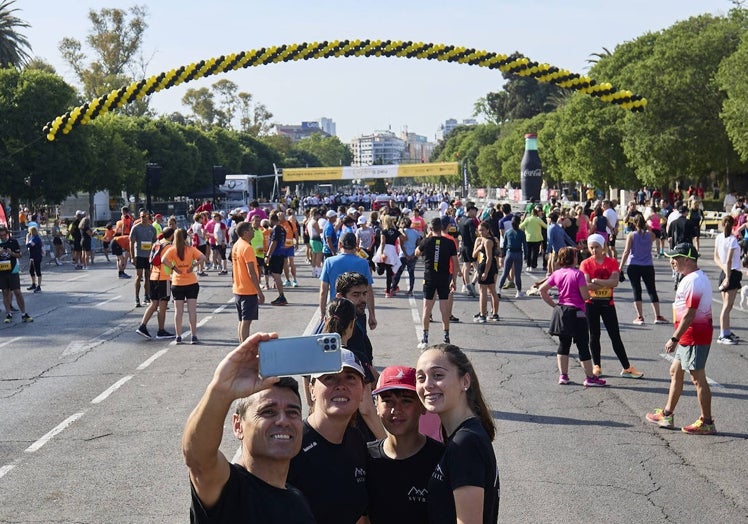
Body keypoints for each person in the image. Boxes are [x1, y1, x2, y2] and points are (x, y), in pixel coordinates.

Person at [183, 332, 315, 523]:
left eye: (293, 412)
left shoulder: (297, 499)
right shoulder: (230, 489)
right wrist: (220, 388)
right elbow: (197, 457)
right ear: (238, 426)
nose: (283, 421)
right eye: (268, 412)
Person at [415, 343, 499, 523]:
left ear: (465, 381)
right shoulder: (466, 434)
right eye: (420, 378)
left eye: (437, 375)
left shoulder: (465, 444)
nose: (427, 385)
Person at [287, 348, 369, 524]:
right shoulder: (290, 445)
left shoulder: (356, 440)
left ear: (362, 391)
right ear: (312, 390)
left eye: (350, 377)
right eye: (329, 377)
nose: (341, 385)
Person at [646, 243, 716, 435]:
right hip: (688, 335)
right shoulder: (689, 278)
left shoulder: (694, 281)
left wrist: (674, 338)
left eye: (675, 258)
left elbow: (690, 314)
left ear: (687, 259)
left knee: (697, 378)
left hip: (694, 335)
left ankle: (707, 422)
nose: (672, 261)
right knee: (675, 371)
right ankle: (667, 414)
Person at [366, 366, 445, 524]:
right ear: (376, 406)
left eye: (406, 401)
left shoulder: (442, 459)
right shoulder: (365, 457)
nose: (397, 409)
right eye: (388, 401)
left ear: (422, 406)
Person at [580, 234, 644, 379]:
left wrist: (597, 281)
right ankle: (597, 366)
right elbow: (586, 285)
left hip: (608, 303)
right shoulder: (586, 263)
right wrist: (604, 282)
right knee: (594, 335)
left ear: (603, 247)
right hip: (591, 304)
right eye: (591, 248)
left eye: (597, 247)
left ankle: (626, 368)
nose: (594, 250)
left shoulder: (612, 262)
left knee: (615, 336)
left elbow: (615, 282)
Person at [538, 247, 603, 386]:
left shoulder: (557, 273)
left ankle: (563, 375)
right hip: (577, 312)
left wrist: (554, 305)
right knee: (582, 345)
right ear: (573, 258)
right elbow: (584, 295)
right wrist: (592, 289)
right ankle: (590, 378)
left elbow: (542, 290)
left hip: (562, 311)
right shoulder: (578, 274)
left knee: (564, 344)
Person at [415, 218, 459, 349]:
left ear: (430, 229)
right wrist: (454, 280)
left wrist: (427, 237)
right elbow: (455, 263)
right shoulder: (449, 242)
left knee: (427, 307)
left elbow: (416, 253)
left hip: (430, 277)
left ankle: (425, 338)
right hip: (444, 277)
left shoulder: (426, 241)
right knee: (444, 307)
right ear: (442, 228)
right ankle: (446, 337)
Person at [618, 215, 668, 325]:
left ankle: (640, 317)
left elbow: (626, 252)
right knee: (651, 290)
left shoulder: (631, 235)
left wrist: (620, 267)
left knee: (637, 290)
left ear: (635, 224)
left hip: (633, 265)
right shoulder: (651, 235)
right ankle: (657, 316)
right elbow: (653, 234)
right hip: (647, 265)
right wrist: (647, 226)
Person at [161, 228, 208, 344]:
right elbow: (203, 257)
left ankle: (178, 336)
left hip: (177, 283)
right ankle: (193, 335)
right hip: (191, 282)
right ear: (185, 238)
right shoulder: (191, 249)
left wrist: (174, 268)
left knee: (178, 312)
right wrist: (194, 266)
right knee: (192, 311)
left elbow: (163, 260)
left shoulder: (172, 250)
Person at [319, 232, 375, 325]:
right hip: (357, 310)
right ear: (356, 244)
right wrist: (372, 315)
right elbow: (368, 291)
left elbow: (323, 291)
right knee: (358, 338)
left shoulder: (329, 262)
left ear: (340, 244)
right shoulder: (363, 263)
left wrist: (323, 313)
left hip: (336, 310)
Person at [136, 227, 176, 340]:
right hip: (164, 278)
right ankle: (161, 330)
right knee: (163, 305)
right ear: (172, 235)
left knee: (154, 303)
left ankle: (142, 326)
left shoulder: (157, 244)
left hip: (154, 276)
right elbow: (172, 261)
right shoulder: (169, 246)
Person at [232, 221, 265, 342]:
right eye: (251, 229)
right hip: (247, 289)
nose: (253, 231)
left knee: (241, 320)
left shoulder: (237, 245)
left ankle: (241, 345)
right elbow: (251, 272)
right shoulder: (247, 248)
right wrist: (259, 292)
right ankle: (244, 348)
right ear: (245, 233)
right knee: (246, 322)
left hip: (238, 288)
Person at [713, 214, 741, 345]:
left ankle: (727, 331)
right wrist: (728, 276)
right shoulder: (732, 240)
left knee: (727, 306)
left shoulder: (718, 238)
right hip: (732, 273)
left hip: (724, 272)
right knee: (727, 306)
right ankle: (722, 335)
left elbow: (716, 258)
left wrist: (724, 270)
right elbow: (729, 260)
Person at [0, 225, 33, 324]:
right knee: (5, 292)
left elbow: (19, 255)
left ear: (7, 233)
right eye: (0, 235)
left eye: (3, 235)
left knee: (17, 292)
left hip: (13, 270)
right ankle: (8, 314)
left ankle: (24, 314)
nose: (2, 237)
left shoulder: (13, 242)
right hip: (2, 271)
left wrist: (12, 253)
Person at [472, 219, 501, 323]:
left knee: (487, 291)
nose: (481, 232)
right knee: (488, 290)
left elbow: (491, 257)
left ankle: (485, 314)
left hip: (488, 266)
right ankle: (489, 313)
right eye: (479, 230)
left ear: (488, 230)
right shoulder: (479, 240)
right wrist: (479, 247)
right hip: (483, 265)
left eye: (483, 230)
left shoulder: (490, 240)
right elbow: (473, 255)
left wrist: (486, 272)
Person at [129, 212, 157, 307]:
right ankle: (137, 297)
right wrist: (132, 257)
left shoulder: (152, 228)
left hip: (149, 256)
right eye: (141, 216)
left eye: (145, 216)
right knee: (139, 275)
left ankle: (146, 296)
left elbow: (154, 242)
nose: (143, 218)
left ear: (148, 217)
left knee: (148, 276)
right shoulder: (136, 228)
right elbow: (131, 243)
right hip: (139, 255)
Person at [497, 216, 527, 300]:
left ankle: (499, 290)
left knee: (505, 272)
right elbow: (524, 245)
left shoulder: (508, 232)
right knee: (517, 274)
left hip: (509, 253)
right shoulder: (521, 233)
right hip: (518, 253)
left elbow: (505, 244)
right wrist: (526, 256)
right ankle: (518, 291)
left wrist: (503, 255)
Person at [391, 216, 421, 296]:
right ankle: (410, 290)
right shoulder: (415, 232)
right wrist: (413, 255)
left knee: (399, 273)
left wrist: (406, 255)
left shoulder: (402, 232)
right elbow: (418, 245)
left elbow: (401, 245)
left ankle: (393, 288)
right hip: (412, 255)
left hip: (403, 255)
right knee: (411, 273)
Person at [266, 213, 288, 306]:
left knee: (276, 275)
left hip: (276, 254)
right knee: (276, 275)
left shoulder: (276, 228)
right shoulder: (282, 229)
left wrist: (268, 255)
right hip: (281, 253)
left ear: (271, 219)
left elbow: (274, 242)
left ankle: (281, 296)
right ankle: (281, 295)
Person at [25, 226, 43, 293]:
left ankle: (39, 286)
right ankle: (33, 284)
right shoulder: (32, 238)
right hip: (32, 257)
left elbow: (28, 245)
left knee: (38, 271)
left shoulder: (36, 238)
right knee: (31, 270)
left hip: (37, 257)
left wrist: (27, 237)